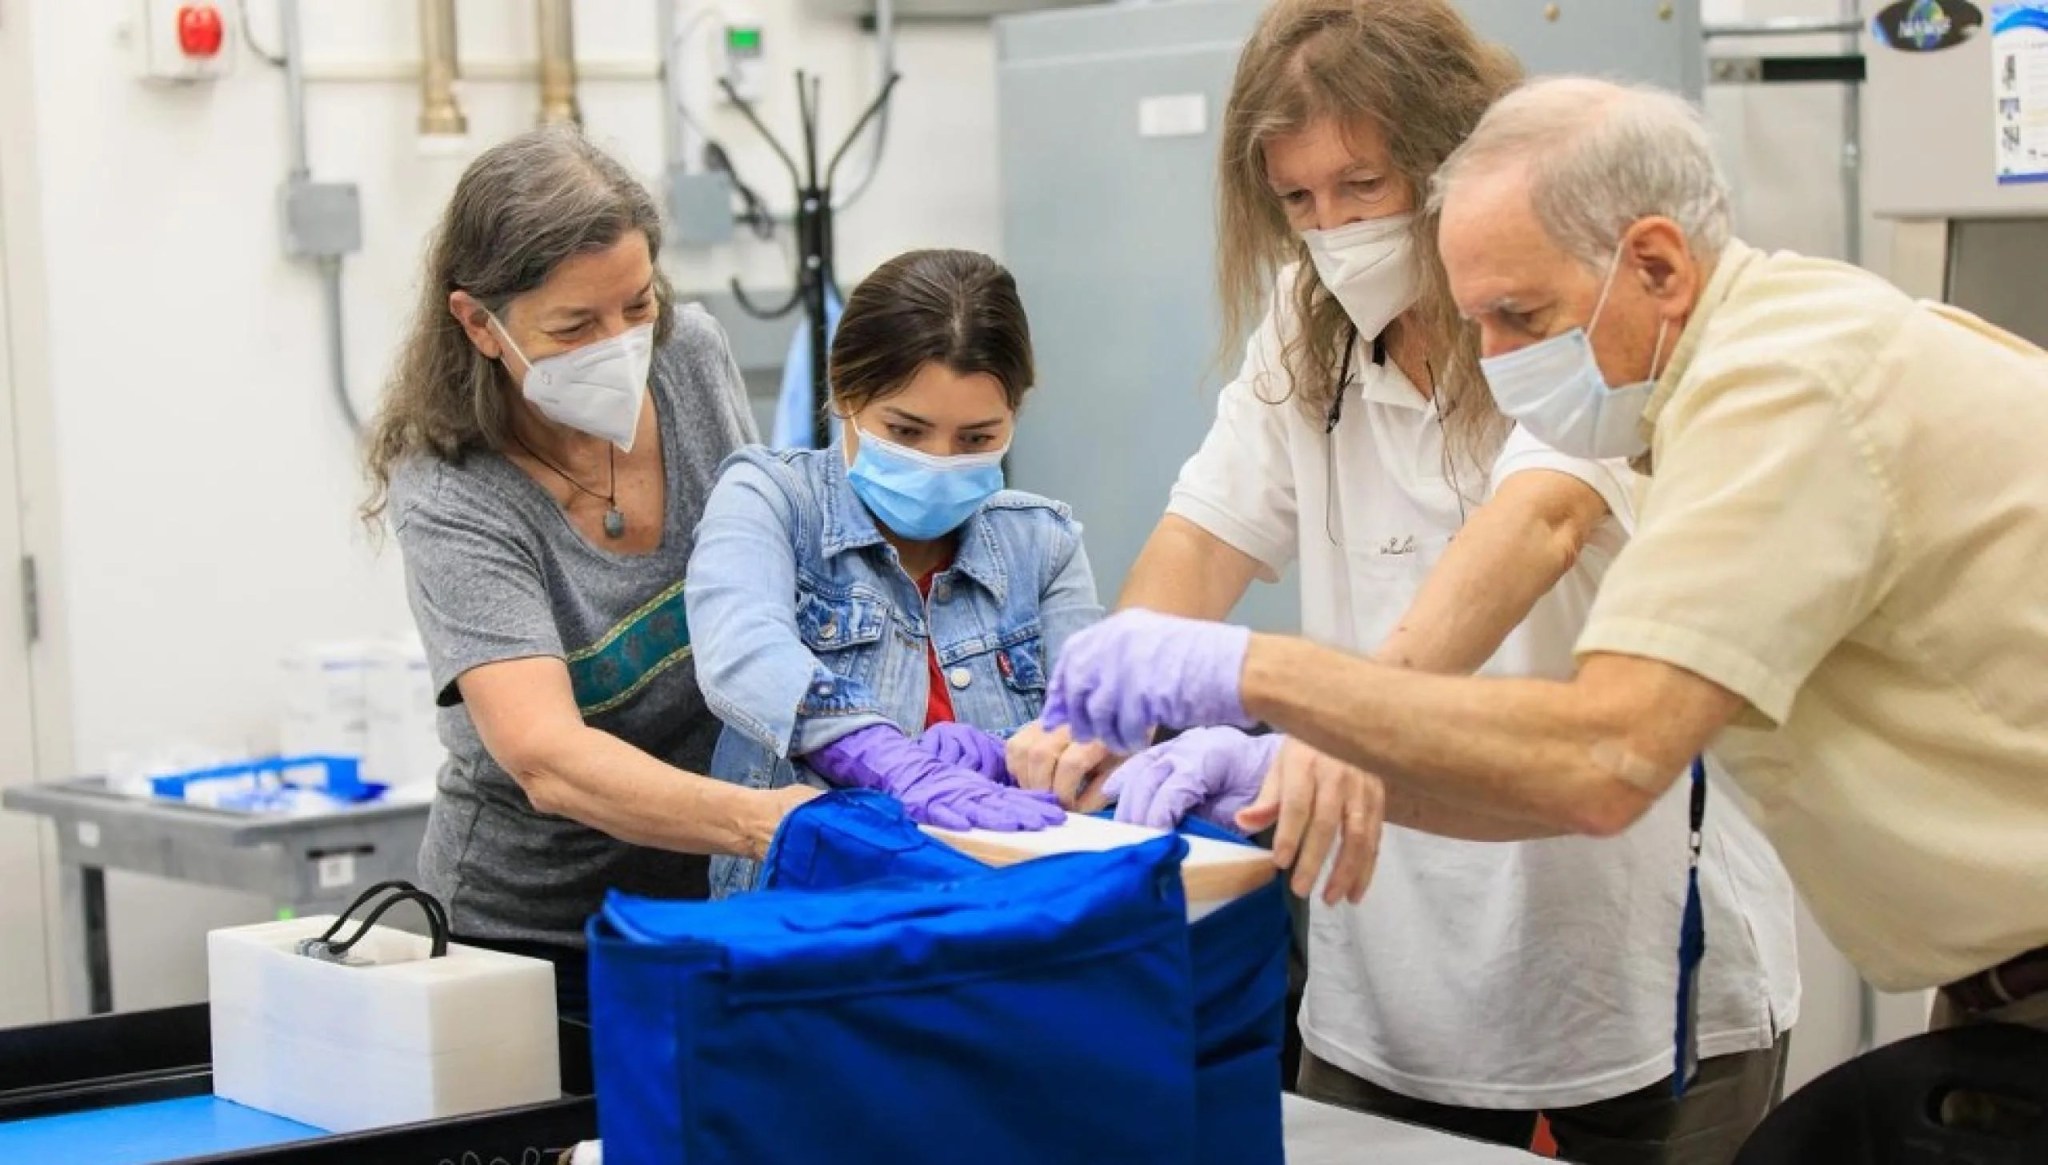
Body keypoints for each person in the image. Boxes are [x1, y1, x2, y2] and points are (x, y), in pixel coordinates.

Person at [1040, 77, 2048, 1049]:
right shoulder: (1710, 380)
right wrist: (1277, 768)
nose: (1488, 359)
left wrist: (1258, 676)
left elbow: (1601, 759)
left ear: (1654, 265)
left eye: (1517, 317)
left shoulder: (1778, 392)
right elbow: (1572, 782)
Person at [1011, 4, 1800, 1159]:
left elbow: (1532, 524)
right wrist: (1099, 705)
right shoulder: (1306, 327)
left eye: (1362, 185)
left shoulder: (1561, 318)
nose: (1331, 228)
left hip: (1630, 966)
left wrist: (1345, 722)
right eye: (1296, 200)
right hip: (1390, 975)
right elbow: (1203, 536)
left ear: (1450, 161)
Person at [363, 125, 813, 1012]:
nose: (622, 346)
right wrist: (768, 819)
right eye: (575, 326)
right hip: (534, 939)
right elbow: (549, 759)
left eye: (637, 305)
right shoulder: (454, 491)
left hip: (717, 900)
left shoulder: (691, 357)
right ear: (478, 323)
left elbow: (766, 576)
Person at [687, 249, 1093, 897]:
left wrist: (1013, 749)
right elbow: (741, 649)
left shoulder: (1042, 543)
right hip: (810, 920)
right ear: (846, 392)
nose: (939, 461)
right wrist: (882, 755)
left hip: (1003, 909)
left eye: (976, 439)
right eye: (907, 430)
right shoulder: (772, 498)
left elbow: (1091, 718)